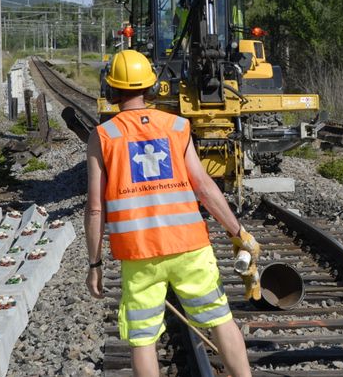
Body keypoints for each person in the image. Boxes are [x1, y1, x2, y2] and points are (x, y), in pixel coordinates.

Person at [84, 49, 260, 377]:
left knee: (143, 338)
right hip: (189, 247)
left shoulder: (103, 136)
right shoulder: (177, 127)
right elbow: (204, 187)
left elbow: (95, 208)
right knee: (220, 319)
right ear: (151, 87)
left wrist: (95, 265)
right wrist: (238, 232)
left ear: (112, 90)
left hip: (139, 255)